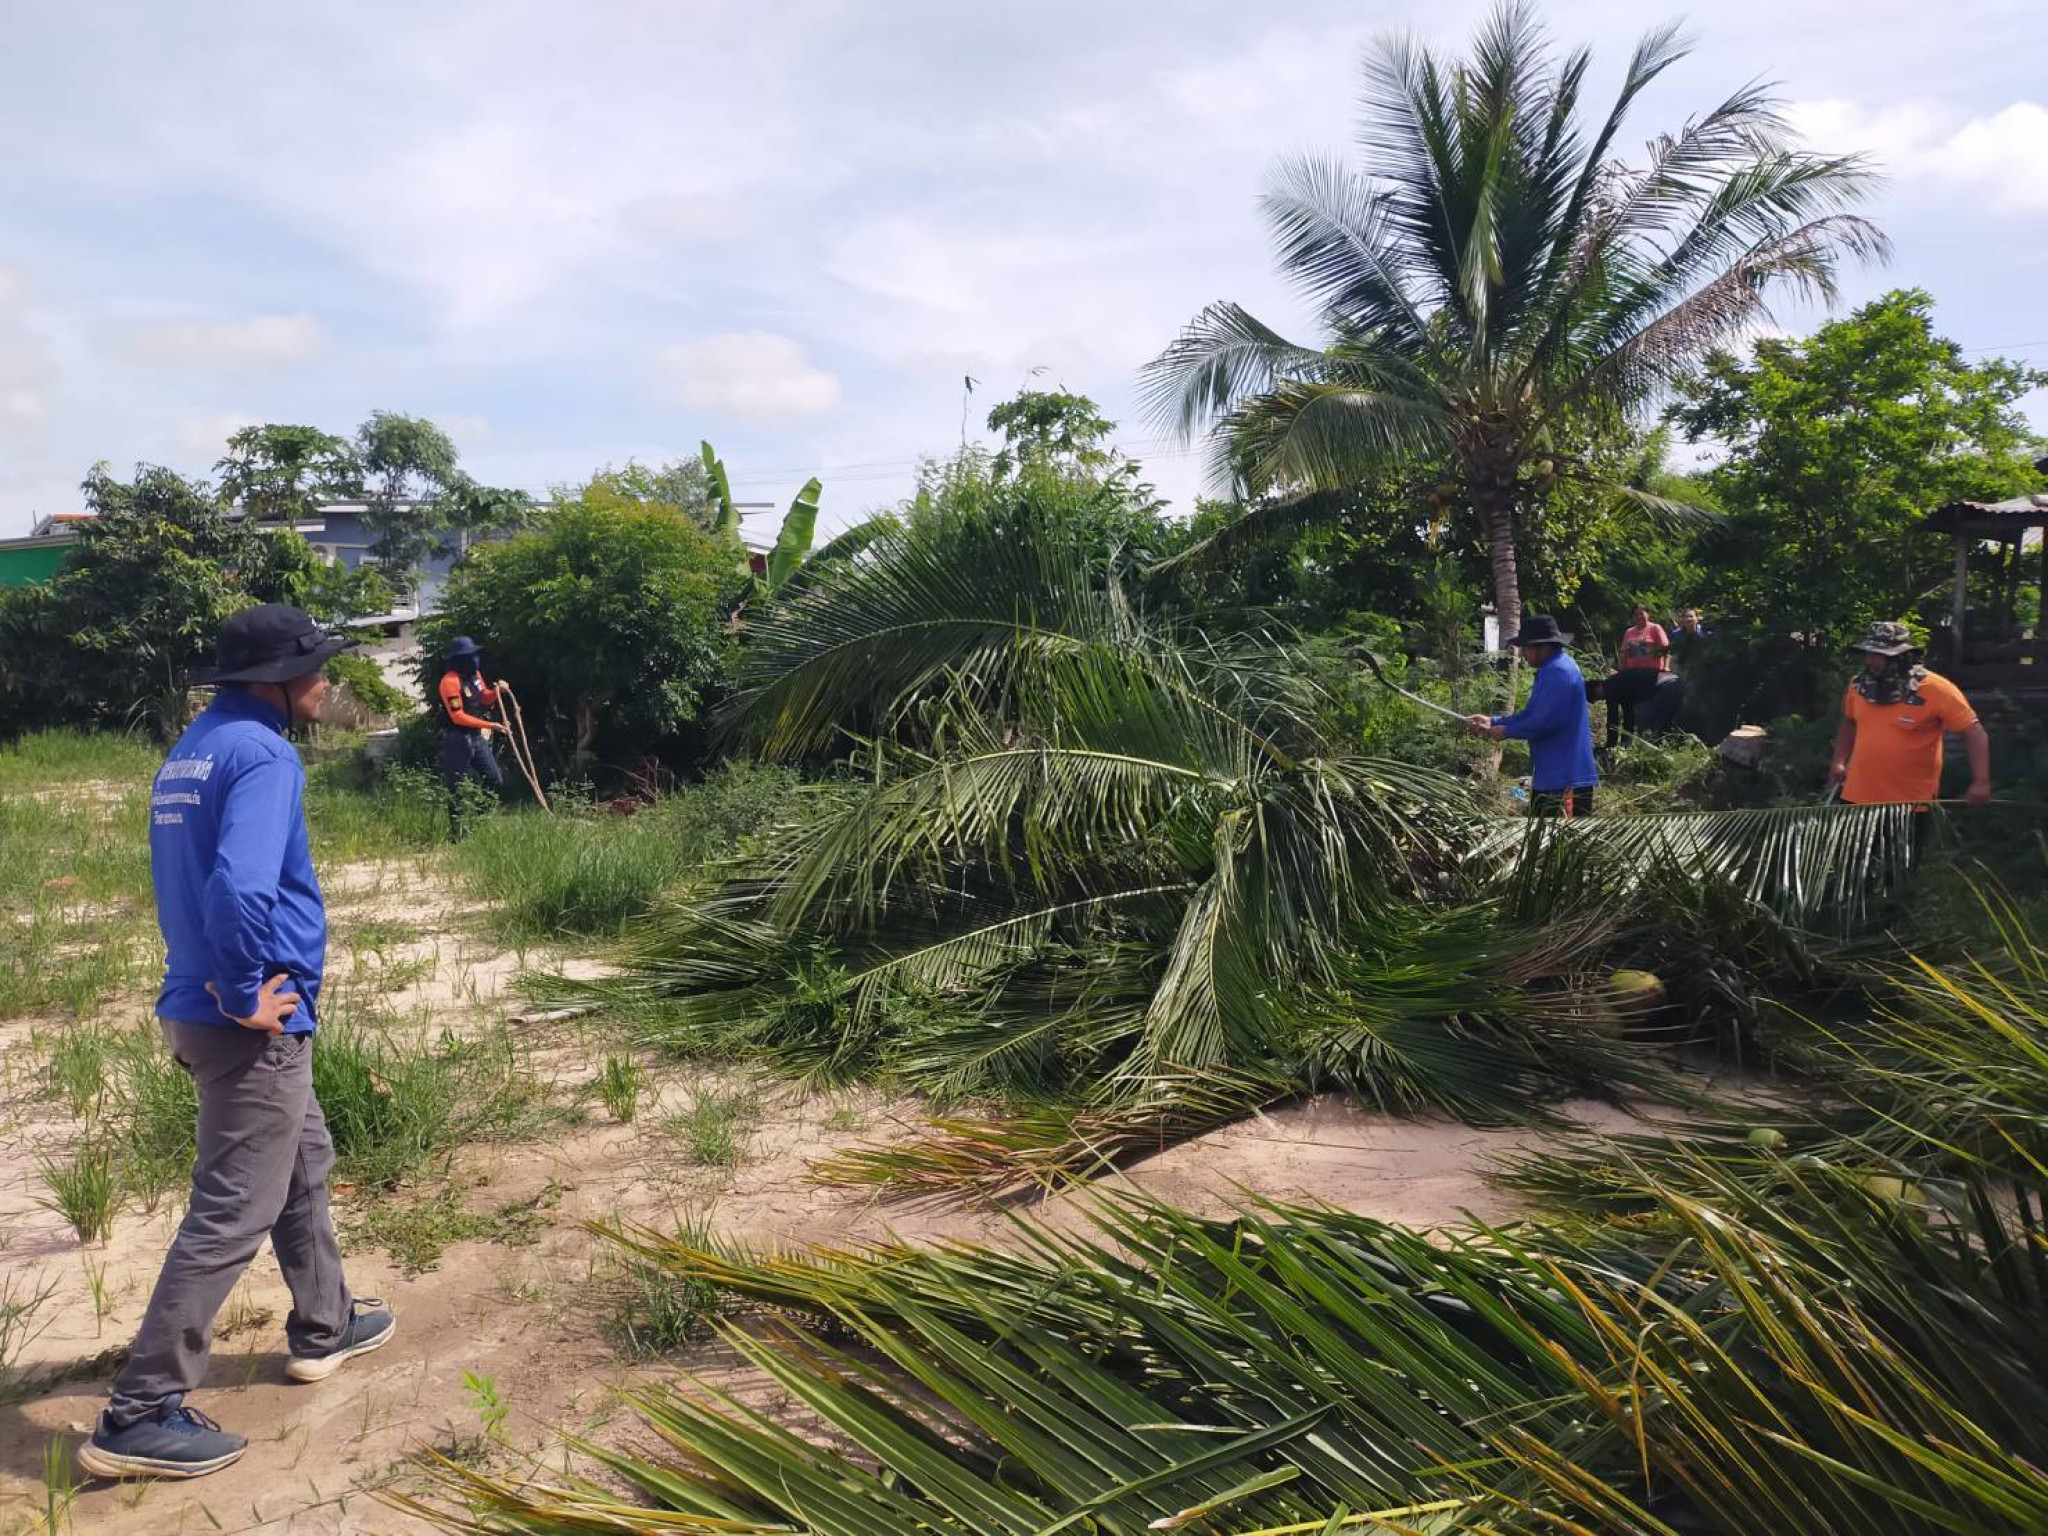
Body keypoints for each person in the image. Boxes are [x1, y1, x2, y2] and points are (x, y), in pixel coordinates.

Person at [81, 606, 394, 1483]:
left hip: (199, 1002)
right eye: (316, 668)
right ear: (278, 681)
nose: (326, 681)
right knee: (232, 1210)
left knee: (304, 1160)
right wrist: (247, 985)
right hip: (245, 1020)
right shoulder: (264, 754)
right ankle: (141, 1412)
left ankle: (327, 1323)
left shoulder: (195, 748)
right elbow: (240, 885)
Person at [1828, 620, 1990, 809]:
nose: (1870, 661)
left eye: (1879, 655)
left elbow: (1974, 732)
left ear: (1901, 657)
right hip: (1857, 798)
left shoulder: (1936, 689)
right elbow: (1849, 722)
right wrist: (1838, 762)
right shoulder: (1858, 687)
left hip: (1911, 803)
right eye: (1868, 654)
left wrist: (1981, 781)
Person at [1465, 614, 1599, 816]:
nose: (1523, 654)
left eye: (1526, 648)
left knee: (1555, 833)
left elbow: (1541, 723)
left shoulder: (1558, 673)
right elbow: (1531, 714)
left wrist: (1505, 731)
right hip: (1557, 772)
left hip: (1564, 778)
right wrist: (1492, 721)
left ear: (1542, 647)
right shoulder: (1554, 667)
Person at [437, 635, 505, 837]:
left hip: (476, 738)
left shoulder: (476, 675)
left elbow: (485, 697)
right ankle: (457, 835)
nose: (475, 659)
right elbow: (457, 716)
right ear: (459, 659)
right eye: (470, 656)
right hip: (457, 739)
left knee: (494, 779)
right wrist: (490, 725)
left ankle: (479, 824)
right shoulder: (449, 682)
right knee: (456, 788)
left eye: (476, 655)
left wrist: (497, 691)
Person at [1587, 668, 1686, 747]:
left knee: (1648, 722)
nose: (1600, 699)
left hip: (1667, 685)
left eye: (1596, 696)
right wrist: (1625, 742)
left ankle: (1651, 749)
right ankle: (1664, 748)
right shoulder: (1622, 686)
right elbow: (1628, 716)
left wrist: (1610, 745)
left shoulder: (1610, 686)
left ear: (1598, 686)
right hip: (1677, 683)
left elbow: (1613, 718)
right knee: (1664, 724)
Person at [1619, 604, 1670, 671]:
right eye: (1636, 615)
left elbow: (1666, 649)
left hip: (1653, 671)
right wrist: (1623, 670)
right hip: (1633, 671)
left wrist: (1666, 667)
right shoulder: (1629, 632)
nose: (1639, 616)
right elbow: (1623, 652)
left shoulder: (1655, 628)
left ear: (1648, 614)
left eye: (1641, 614)